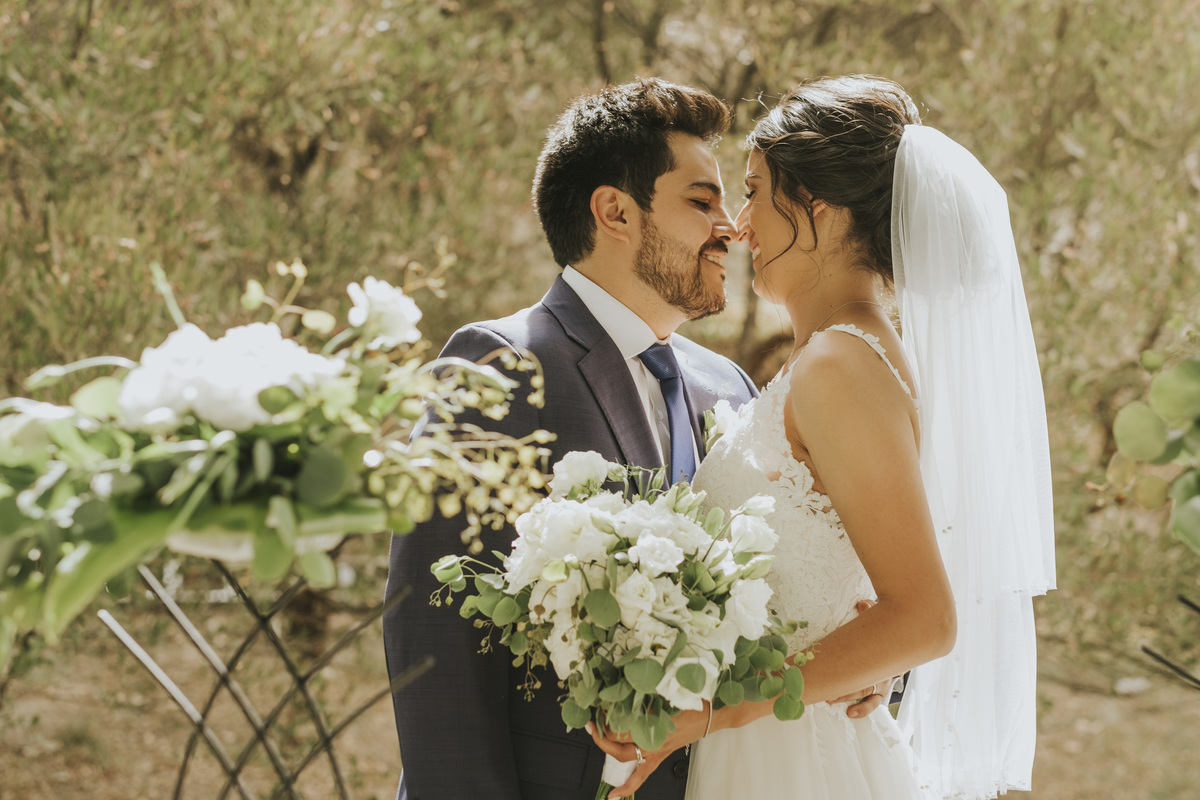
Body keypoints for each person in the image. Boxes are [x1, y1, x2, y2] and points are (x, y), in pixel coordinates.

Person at [382, 77, 891, 800]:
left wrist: (873, 665)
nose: (732, 226)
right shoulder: (499, 369)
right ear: (614, 210)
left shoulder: (734, 390)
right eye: (702, 200)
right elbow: (432, 645)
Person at [591, 75, 1055, 800]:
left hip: (791, 758)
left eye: (753, 190)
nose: (739, 224)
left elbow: (925, 619)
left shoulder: (840, 366)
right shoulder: (850, 358)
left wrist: (711, 711)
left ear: (821, 209)